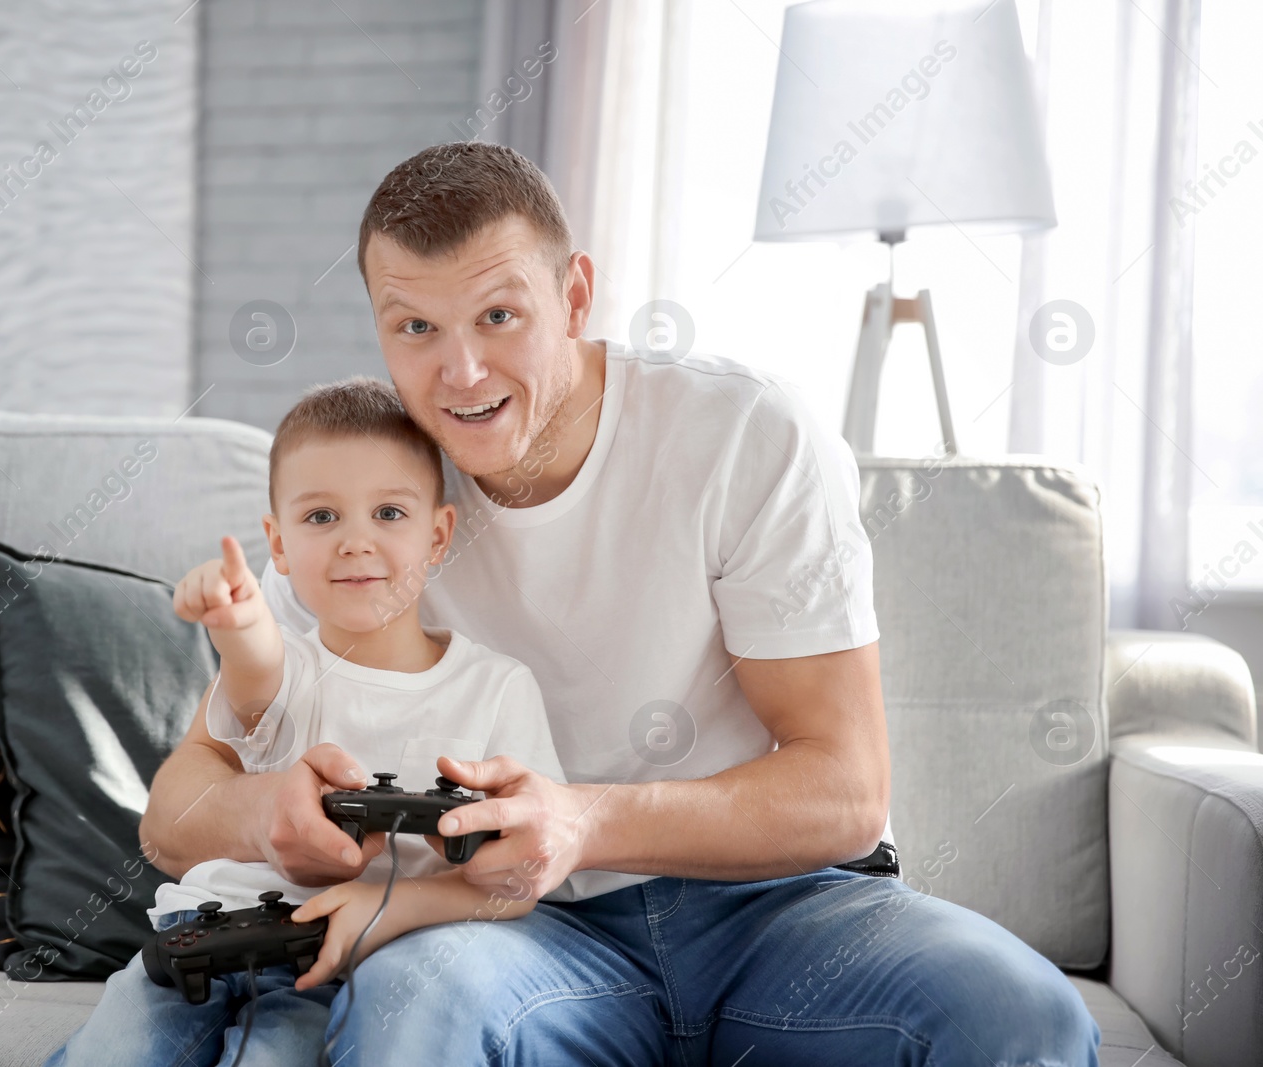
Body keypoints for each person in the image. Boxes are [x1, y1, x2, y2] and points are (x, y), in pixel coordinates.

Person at [142, 142, 1101, 1065]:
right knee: (412, 1005)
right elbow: (177, 808)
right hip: (518, 932)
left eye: (500, 317)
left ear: (575, 296)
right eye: (417, 328)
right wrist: (267, 811)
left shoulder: (742, 435)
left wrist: (583, 821)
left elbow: (846, 791)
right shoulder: (379, 496)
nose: (462, 373)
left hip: (777, 911)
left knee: (1020, 1014)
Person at [48, 378, 590, 1067]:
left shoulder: (497, 687)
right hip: (200, 935)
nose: (355, 543)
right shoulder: (285, 667)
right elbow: (253, 674)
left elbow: (520, 871)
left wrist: (400, 907)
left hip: (333, 963)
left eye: (389, 513)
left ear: (439, 533)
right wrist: (239, 619)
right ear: (277, 544)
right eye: (321, 517)